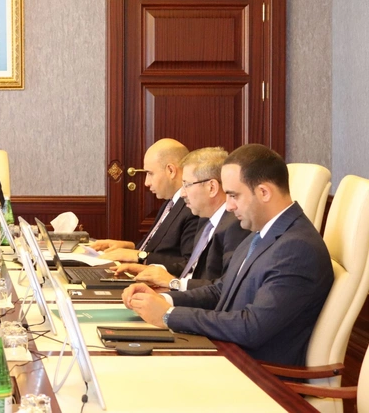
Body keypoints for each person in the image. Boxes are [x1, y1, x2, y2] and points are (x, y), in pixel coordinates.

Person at [122, 144, 334, 365]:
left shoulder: (296, 248)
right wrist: (163, 299)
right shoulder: (262, 232)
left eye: (234, 195)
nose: (229, 206)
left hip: (255, 372)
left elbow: (251, 327)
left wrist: (169, 315)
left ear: (264, 192)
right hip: (226, 352)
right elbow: (222, 290)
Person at [112, 147, 248, 290]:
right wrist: (153, 270)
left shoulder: (234, 227)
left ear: (211, 187)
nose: (182, 194)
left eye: (187, 185)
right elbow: (192, 268)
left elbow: (223, 289)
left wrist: (173, 284)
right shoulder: (206, 220)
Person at [93, 138, 199, 274]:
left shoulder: (192, 208)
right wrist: (128, 247)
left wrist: (138, 255)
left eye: (150, 173)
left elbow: (188, 265)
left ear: (171, 170)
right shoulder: (170, 203)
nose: (146, 183)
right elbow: (154, 247)